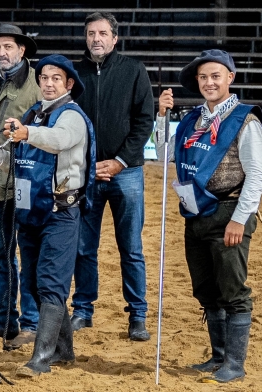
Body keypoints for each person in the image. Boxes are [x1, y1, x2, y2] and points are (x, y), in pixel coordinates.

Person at [155, 49, 262, 383]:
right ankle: (218, 357)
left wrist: (239, 219)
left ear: (230, 78)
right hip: (196, 212)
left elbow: (257, 176)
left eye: (215, 76)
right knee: (206, 289)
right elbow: (163, 154)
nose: (209, 82)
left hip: (230, 210)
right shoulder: (191, 118)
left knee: (232, 289)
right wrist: (162, 117)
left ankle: (235, 362)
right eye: (203, 77)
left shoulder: (245, 119)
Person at [4, 54, 94, 378]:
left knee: (51, 282)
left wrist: (26, 132)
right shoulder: (33, 114)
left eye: (56, 78)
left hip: (61, 210)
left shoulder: (72, 117)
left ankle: (40, 359)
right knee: (34, 282)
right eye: (44, 77)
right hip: (31, 210)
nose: (49, 83)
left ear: (69, 84)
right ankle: (65, 351)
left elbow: (59, 141)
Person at [71, 12, 155, 341]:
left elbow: (144, 121)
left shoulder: (134, 71)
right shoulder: (74, 74)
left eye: (103, 33)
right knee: (83, 247)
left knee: (131, 247)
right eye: (91, 33)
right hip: (86, 173)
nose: (96, 38)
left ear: (114, 38)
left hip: (127, 173)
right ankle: (83, 310)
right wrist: (87, 162)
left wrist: (119, 161)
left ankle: (138, 315)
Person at [0, 23, 41, 348]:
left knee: (28, 254)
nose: (1, 52)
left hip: (27, 182)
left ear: (21, 50)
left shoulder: (37, 83)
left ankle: (31, 323)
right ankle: (3, 322)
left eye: (7, 47)